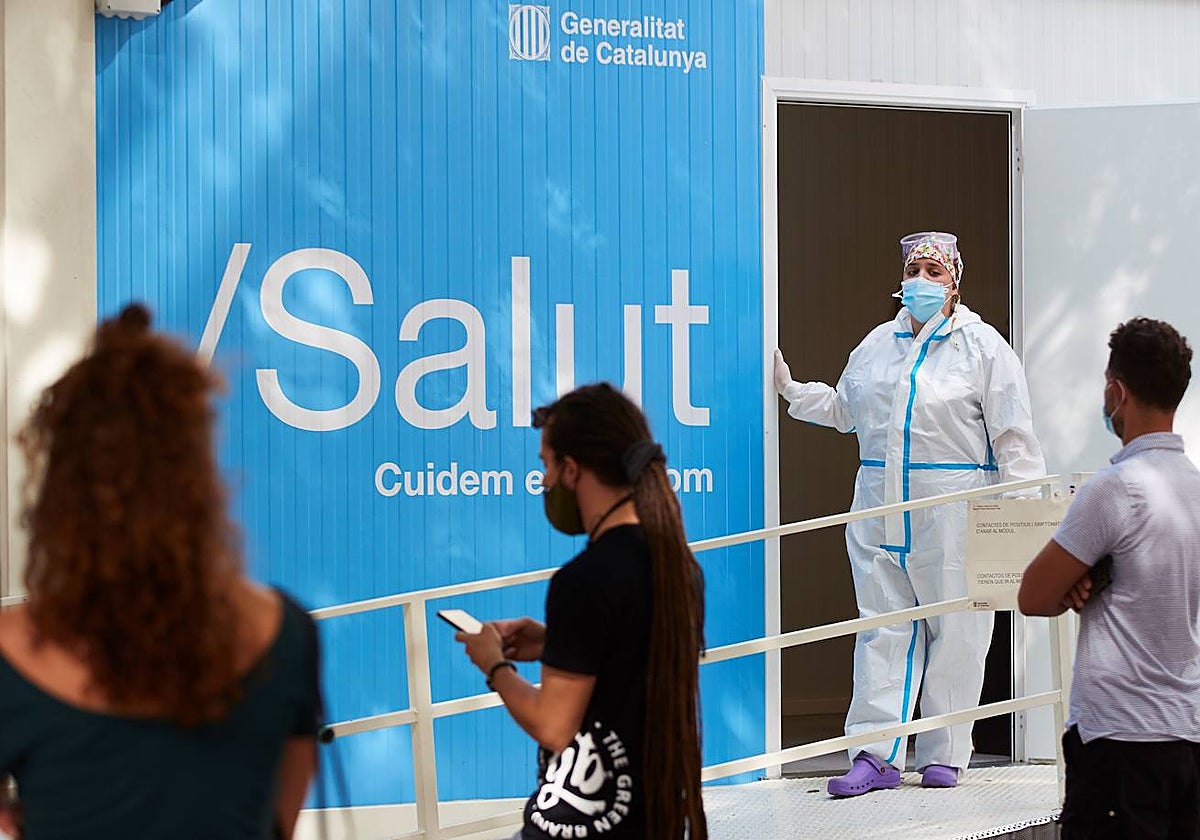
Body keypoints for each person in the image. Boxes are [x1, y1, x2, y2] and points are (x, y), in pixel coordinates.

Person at [0, 304, 322, 840]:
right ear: (197, 473)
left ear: (62, 485)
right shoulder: (285, 632)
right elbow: (278, 822)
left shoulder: (11, 650)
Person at [774, 231, 1046, 796]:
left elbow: (1015, 440)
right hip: (878, 510)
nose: (921, 280)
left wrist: (1023, 519)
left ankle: (946, 754)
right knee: (882, 630)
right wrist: (792, 391)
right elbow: (845, 411)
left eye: (934, 271)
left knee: (959, 631)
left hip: (954, 512)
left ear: (954, 283)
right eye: (913, 270)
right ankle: (876, 757)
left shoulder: (984, 348)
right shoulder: (877, 345)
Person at [454, 383, 707, 840]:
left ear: (571, 470)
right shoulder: (679, 568)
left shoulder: (583, 580)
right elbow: (628, 656)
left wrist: (494, 665)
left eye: (546, 466)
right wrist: (555, 643)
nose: (544, 481)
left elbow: (552, 725)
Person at [1019, 318, 1200, 840]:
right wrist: (1094, 574)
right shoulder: (1193, 487)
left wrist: (1083, 577)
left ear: (1117, 392)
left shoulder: (1114, 488)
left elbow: (1034, 595)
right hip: (1186, 734)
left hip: (1119, 737)